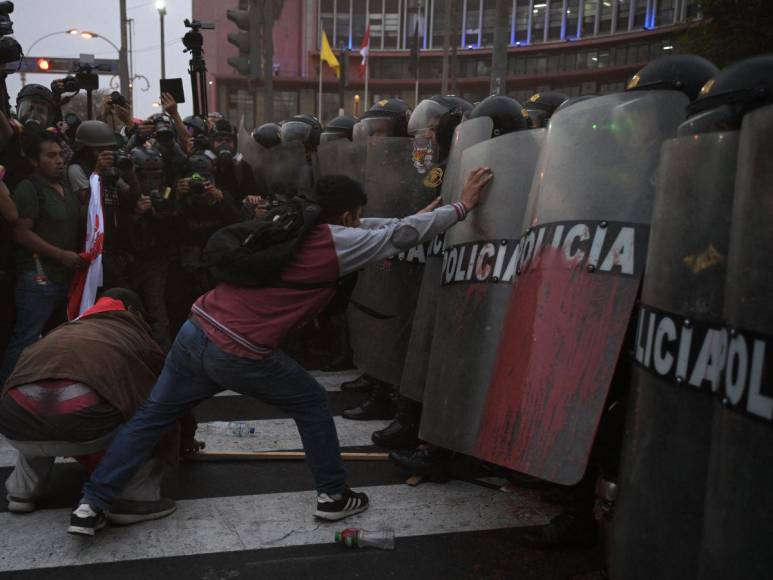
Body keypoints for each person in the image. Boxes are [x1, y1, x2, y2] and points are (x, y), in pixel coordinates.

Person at [69, 167, 493, 536]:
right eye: (356, 215)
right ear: (346, 215)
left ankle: (91, 504)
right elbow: (395, 237)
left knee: (151, 417)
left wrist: (420, 216)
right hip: (238, 349)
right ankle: (332, 495)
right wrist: (461, 207)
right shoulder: (334, 243)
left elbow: (379, 229)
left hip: (196, 328)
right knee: (311, 402)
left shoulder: (289, 221)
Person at [0, 288, 177, 528]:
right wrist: (183, 438)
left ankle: (22, 491)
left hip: (15, 424)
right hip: (84, 427)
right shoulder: (136, 337)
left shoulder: (60, 331)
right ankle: (133, 499)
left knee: (35, 403)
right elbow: (170, 395)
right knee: (154, 419)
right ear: (134, 312)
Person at [0, 133, 85, 385]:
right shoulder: (30, 188)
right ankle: (5, 394)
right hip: (39, 279)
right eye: (50, 156)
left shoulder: (65, 187)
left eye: (60, 155)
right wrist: (60, 255)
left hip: (66, 279)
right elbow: (22, 233)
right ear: (35, 161)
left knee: (58, 342)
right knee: (26, 340)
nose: (59, 161)